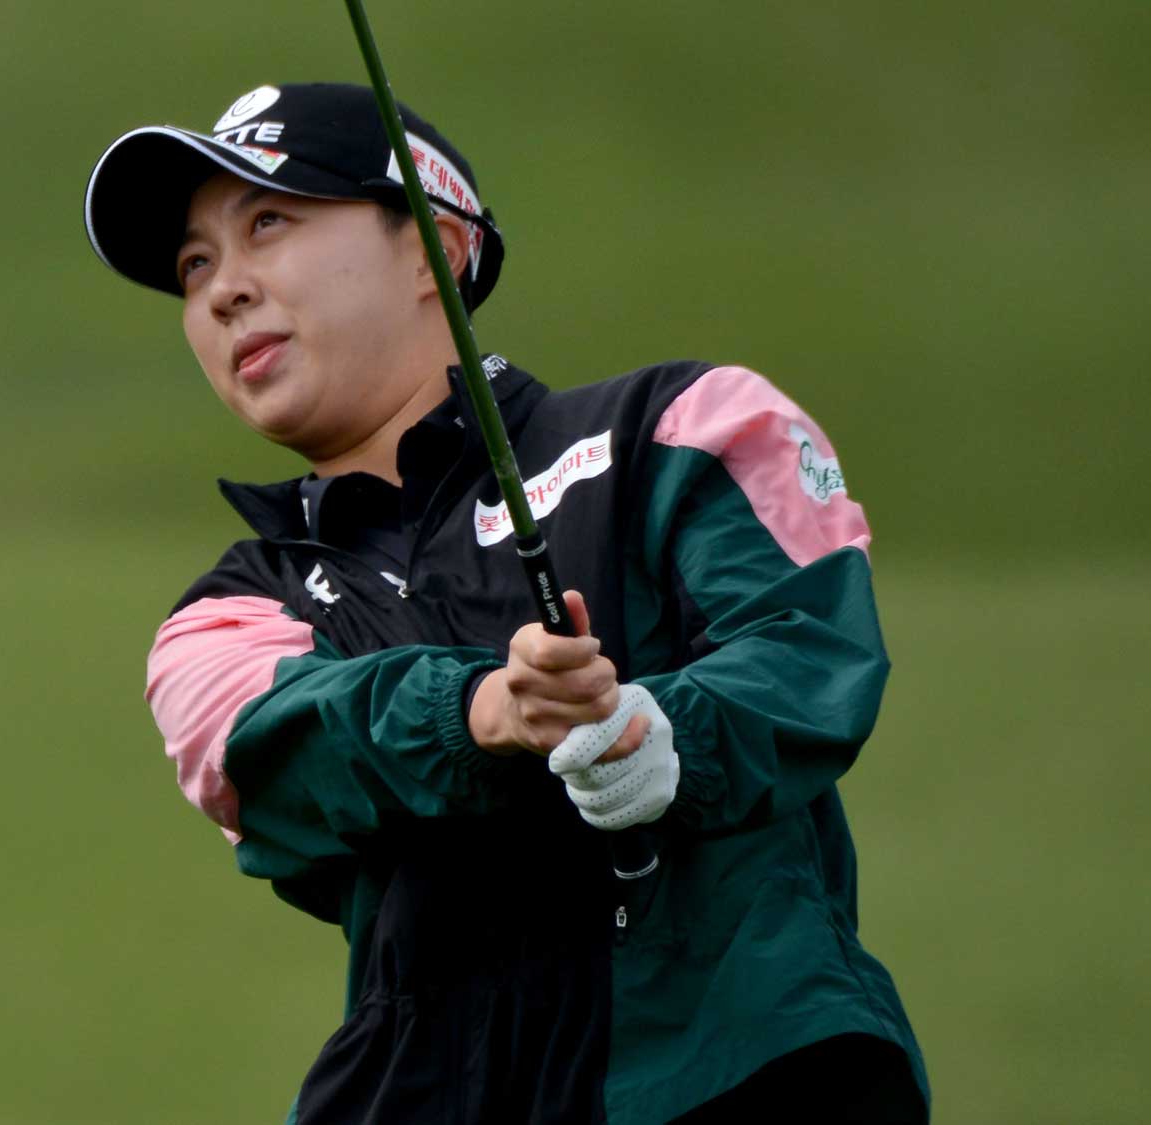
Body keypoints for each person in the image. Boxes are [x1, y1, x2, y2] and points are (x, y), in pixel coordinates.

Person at [83, 82, 929, 1124]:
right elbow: (276, 762)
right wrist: (483, 712)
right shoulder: (223, 614)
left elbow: (805, 657)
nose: (221, 291)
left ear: (434, 244)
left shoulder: (682, 427)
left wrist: (654, 735)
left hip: (739, 1073)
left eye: (268, 222)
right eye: (193, 265)